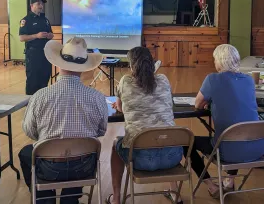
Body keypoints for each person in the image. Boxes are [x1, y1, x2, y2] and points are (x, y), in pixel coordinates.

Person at [18, 37, 108, 204]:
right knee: (82, 152)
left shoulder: (40, 96)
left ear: (58, 64)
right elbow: (101, 131)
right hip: (83, 167)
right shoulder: (97, 97)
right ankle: (71, 198)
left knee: (26, 153)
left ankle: (45, 199)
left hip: (49, 167)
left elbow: (30, 131)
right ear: (83, 68)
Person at [184, 44, 264, 198]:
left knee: (187, 142)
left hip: (227, 151)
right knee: (238, 130)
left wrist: (211, 101)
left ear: (219, 62)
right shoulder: (248, 80)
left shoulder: (212, 79)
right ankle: (229, 180)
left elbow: (197, 104)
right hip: (258, 148)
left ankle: (212, 186)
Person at [108, 47, 184, 204]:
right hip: (174, 156)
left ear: (131, 66)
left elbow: (121, 108)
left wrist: (120, 106)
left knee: (116, 144)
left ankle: (115, 198)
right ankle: (175, 193)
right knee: (163, 134)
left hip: (141, 159)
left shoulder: (125, 82)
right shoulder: (163, 79)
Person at [19, 0, 54, 95]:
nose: (41, 6)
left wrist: (50, 35)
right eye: (38, 4)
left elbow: (51, 34)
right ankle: (30, 103)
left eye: (42, 4)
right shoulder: (26, 20)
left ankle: (42, 101)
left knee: (45, 77)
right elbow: (21, 38)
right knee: (33, 79)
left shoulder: (45, 20)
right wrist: (36, 36)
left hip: (45, 54)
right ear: (32, 6)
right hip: (33, 54)